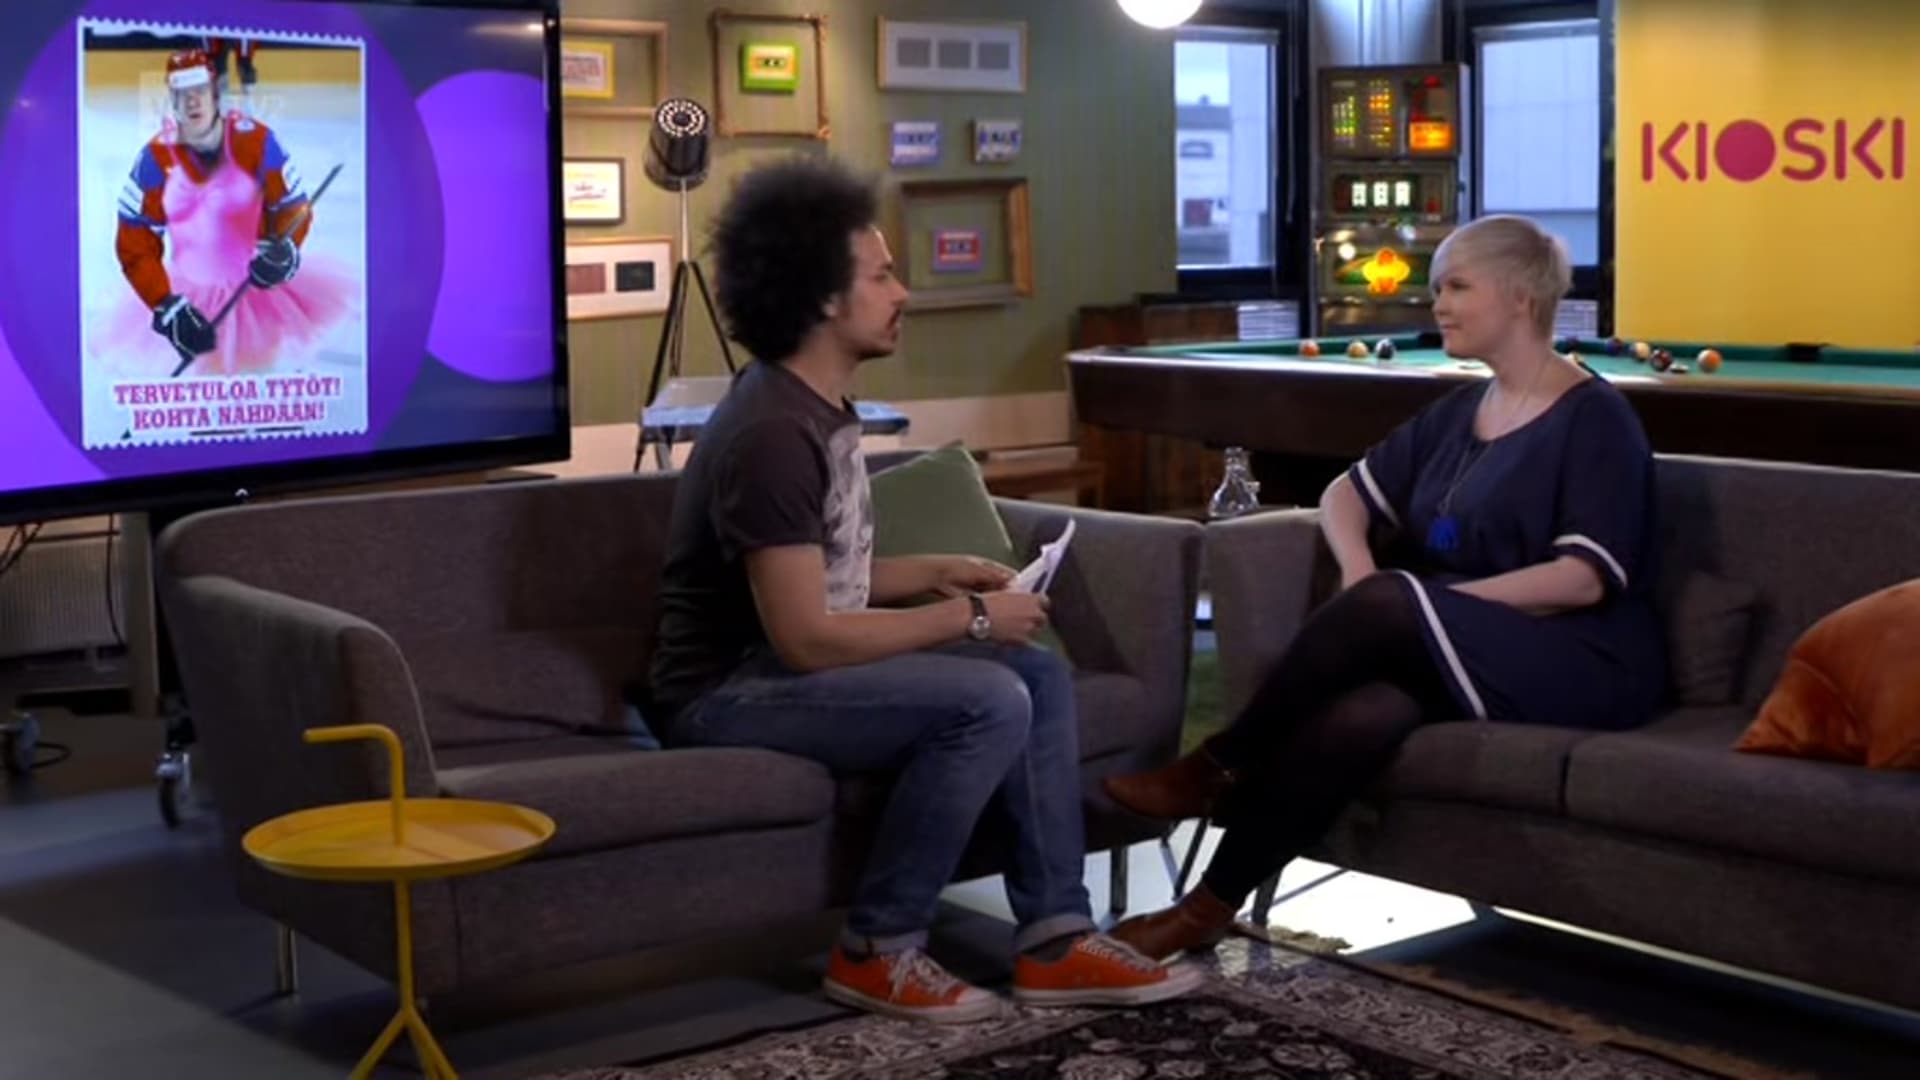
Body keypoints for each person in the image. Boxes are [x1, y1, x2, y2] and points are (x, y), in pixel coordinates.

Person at [647, 156, 1202, 1023]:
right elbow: (806, 636)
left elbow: (820, 577)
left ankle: (1054, 938)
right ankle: (877, 947)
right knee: (988, 698)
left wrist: (937, 571)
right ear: (822, 298)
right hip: (723, 692)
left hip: (774, 660)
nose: (901, 292)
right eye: (881, 275)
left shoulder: (812, 406)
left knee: (1038, 672)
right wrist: (971, 618)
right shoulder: (771, 435)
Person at [1103, 215, 1669, 960]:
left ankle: (1216, 766)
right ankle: (1204, 908)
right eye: (1437, 289)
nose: (1439, 305)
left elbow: (1583, 579)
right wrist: (1362, 577)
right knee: (1366, 715)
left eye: (1457, 286)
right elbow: (1344, 494)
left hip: (1582, 658)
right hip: (1459, 646)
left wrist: (1420, 608)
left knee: (1393, 604)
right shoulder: (1460, 411)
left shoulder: (1596, 418)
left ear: (1521, 297)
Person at [111, 48, 350, 376]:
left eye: (199, 90)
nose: (192, 101)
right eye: (182, 94)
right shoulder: (153, 160)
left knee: (259, 389)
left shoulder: (258, 142)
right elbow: (135, 242)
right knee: (202, 400)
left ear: (215, 94)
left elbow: (292, 207)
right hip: (190, 296)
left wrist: (285, 249)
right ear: (172, 101)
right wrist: (166, 306)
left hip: (256, 294)